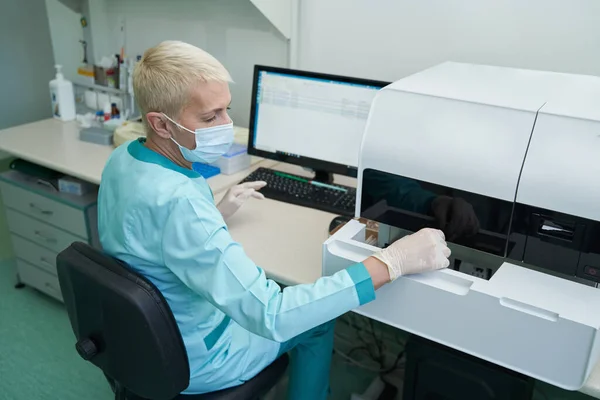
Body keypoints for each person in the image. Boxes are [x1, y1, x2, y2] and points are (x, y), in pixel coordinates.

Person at [97, 40, 451, 400]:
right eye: (210, 117)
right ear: (161, 124)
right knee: (315, 320)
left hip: (151, 335)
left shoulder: (124, 158)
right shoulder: (181, 203)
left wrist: (216, 213)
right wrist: (392, 262)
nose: (227, 124)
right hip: (200, 358)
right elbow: (274, 315)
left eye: (226, 110)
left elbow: (142, 235)